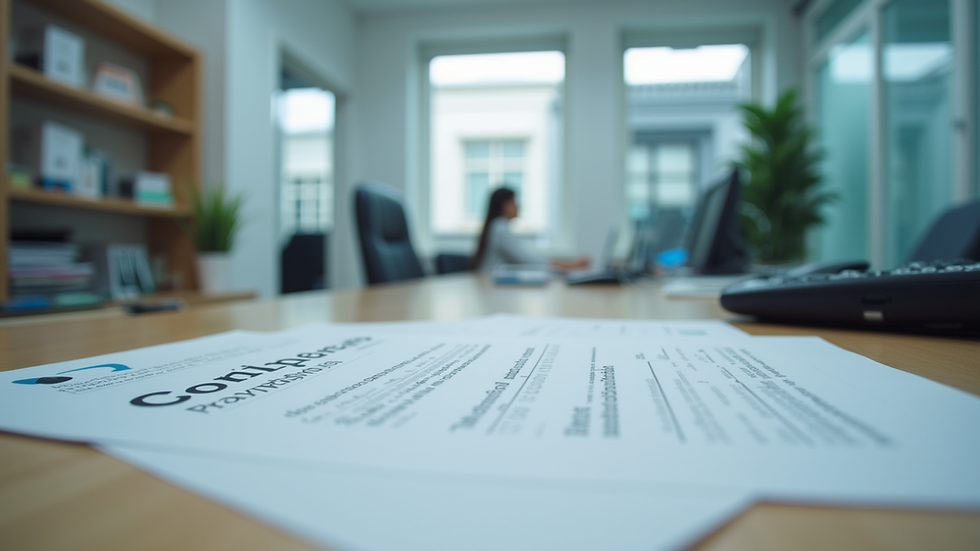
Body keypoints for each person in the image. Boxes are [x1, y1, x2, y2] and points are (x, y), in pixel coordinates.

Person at [471, 187, 589, 273]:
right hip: (489, 282)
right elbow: (525, 259)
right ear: (504, 205)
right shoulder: (500, 228)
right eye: (513, 202)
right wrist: (568, 266)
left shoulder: (497, 226)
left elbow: (524, 258)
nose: (518, 206)